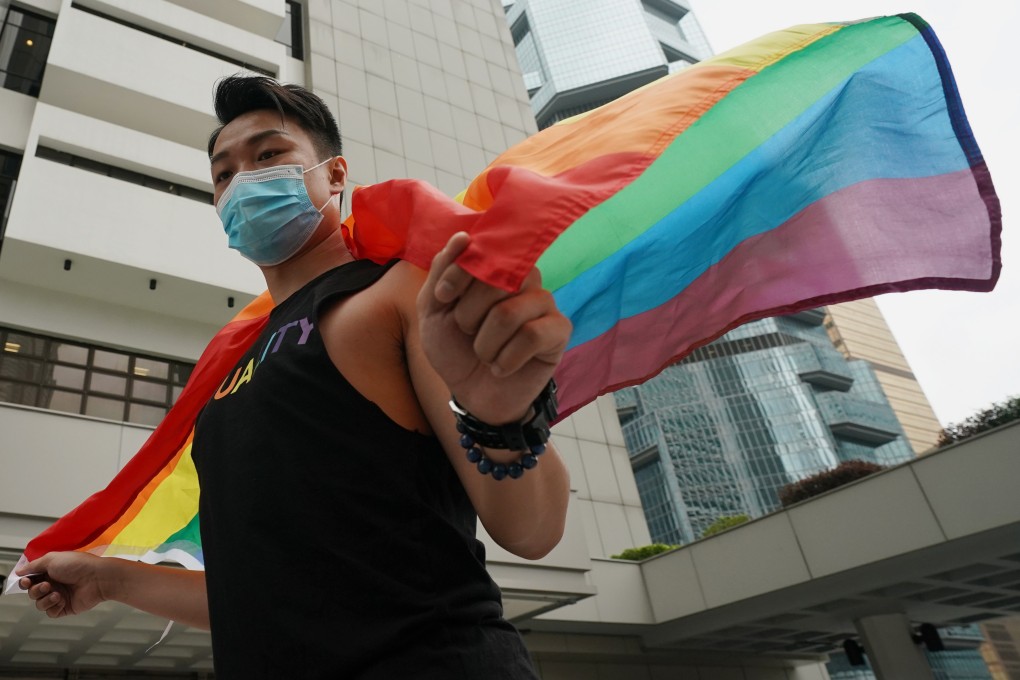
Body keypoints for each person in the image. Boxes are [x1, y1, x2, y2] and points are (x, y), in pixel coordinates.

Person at [17, 75, 572, 679]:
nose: (242, 181)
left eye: (268, 155)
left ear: (334, 176)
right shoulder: (227, 373)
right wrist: (109, 577)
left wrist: (503, 419)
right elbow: (263, 594)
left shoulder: (395, 294)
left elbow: (533, 530)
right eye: (224, 173)